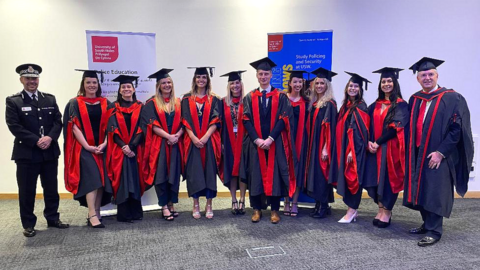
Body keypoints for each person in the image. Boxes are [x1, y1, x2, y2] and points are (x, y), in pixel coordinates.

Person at [404, 57, 473, 247]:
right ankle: (427, 224)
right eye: (423, 75)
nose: (427, 78)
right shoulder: (415, 98)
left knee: (435, 191)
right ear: (418, 78)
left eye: (430, 74)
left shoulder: (451, 98)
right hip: (417, 152)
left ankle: (434, 231)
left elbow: (456, 130)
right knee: (421, 189)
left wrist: (441, 152)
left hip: (437, 154)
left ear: (437, 76)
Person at [6, 64, 69, 237]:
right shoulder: (14, 101)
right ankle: (28, 223)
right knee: (27, 190)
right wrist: (36, 141)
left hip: (49, 152)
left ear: (38, 79)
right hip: (26, 153)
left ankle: (53, 218)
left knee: (51, 188)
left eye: (34, 78)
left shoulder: (49, 99)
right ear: (21, 80)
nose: (32, 82)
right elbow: (14, 126)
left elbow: (58, 122)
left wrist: (49, 138)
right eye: (28, 78)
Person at [240, 57, 296, 224]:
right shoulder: (250, 97)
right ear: (256, 76)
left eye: (266, 74)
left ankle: (274, 211)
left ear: (271, 75)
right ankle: (256, 209)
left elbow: (283, 118)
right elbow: (246, 120)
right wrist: (257, 140)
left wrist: (270, 138)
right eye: (260, 74)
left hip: (275, 143)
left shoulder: (280, 96)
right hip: (255, 144)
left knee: (275, 176)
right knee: (255, 175)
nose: (263, 76)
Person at [64, 69, 113, 228]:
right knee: (92, 181)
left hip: (102, 148)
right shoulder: (75, 103)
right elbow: (74, 127)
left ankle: (96, 212)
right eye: (88, 82)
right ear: (83, 85)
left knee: (100, 182)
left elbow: (111, 127)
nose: (91, 85)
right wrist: (88, 146)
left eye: (94, 82)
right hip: (84, 149)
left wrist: (104, 144)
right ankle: (92, 214)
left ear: (98, 84)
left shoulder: (106, 103)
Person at [364, 67, 409, 228]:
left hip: (390, 150)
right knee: (375, 179)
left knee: (388, 180)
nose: (386, 84)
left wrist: (377, 142)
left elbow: (395, 127)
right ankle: (380, 208)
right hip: (375, 151)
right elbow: (366, 125)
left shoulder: (401, 105)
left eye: (389, 81)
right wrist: (369, 141)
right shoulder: (374, 105)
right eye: (383, 81)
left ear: (395, 83)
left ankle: (387, 211)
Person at [142, 69, 184, 221]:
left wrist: (177, 136)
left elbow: (185, 123)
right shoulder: (151, 104)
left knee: (174, 174)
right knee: (161, 175)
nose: (167, 85)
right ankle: (164, 206)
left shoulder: (179, 102)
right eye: (163, 83)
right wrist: (168, 136)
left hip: (175, 145)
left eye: (169, 83)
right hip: (159, 146)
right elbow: (151, 124)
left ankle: (171, 203)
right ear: (158, 86)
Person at [181, 67, 221, 219]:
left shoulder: (214, 99)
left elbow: (216, 119)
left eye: (204, 77)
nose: (201, 80)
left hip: (209, 142)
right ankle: (196, 204)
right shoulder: (186, 98)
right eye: (198, 77)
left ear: (208, 80)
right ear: (194, 79)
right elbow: (184, 120)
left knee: (210, 172)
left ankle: (209, 204)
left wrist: (205, 137)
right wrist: (193, 137)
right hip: (192, 142)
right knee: (194, 173)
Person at [106, 75, 146, 223]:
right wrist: (124, 146)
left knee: (135, 179)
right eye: (123, 87)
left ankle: (136, 212)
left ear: (133, 89)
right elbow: (111, 129)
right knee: (122, 180)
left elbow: (143, 128)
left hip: (136, 150)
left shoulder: (141, 107)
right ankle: (124, 214)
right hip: (119, 150)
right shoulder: (113, 107)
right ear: (120, 90)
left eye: (129, 86)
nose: (126, 89)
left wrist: (132, 146)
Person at [336, 72, 370, 224]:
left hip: (355, 151)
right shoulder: (345, 106)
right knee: (347, 177)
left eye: (356, 86)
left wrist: (351, 149)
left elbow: (359, 132)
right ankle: (351, 210)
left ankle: (352, 210)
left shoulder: (361, 106)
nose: (353, 88)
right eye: (351, 85)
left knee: (354, 178)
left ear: (360, 89)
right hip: (345, 150)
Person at [304, 67, 338, 219]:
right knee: (315, 175)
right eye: (316, 83)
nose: (318, 86)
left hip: (322, 146)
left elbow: (330, 128)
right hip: (313, 145)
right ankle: (318, 203)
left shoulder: (329, 104)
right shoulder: (315, 103)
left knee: (321, 175)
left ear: (327, 86)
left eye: (322, 83)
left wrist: (325, 148)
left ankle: (323, 205)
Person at [219, 70, 248, 215]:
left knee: (242, 170)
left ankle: (242, 199)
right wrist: (220, 143)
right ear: (229, 86)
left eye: (237, 83)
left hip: (243, 142)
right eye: (232, 83)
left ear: (241, 84)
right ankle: (233, 200)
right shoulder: (222, 102)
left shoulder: (247, 101)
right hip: (229, 141)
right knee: (231, 170)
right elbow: (219, 124)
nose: (235, 86)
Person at [283, 70, 309, 217]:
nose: (298, 84)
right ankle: (286, 201)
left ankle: (295, 203)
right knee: (286, 170)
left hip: (301, 140)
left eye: (300, 82)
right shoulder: (283, 99)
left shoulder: (306, 101)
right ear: (290, 83)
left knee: (298, 170)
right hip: (285, 140)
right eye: (295, 82)